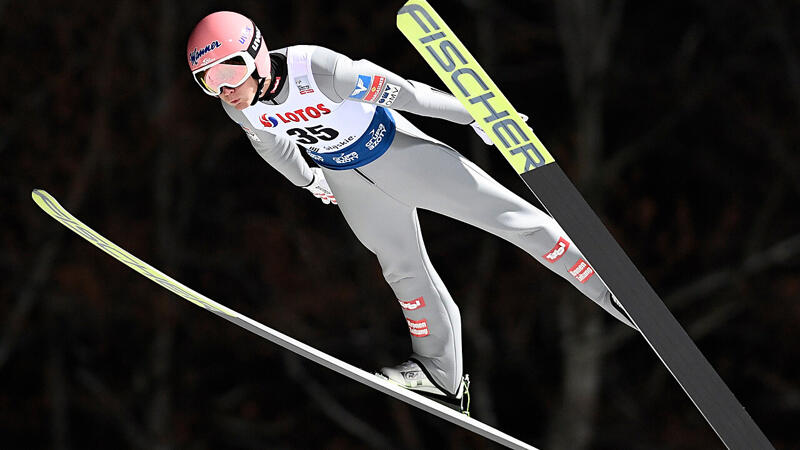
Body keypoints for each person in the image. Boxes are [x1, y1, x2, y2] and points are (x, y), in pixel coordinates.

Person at [186, 11, 636, 410]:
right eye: (207, 81)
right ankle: (441, 375)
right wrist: (310, 180)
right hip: (350, 181)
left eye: (231, 70)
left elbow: (406, 94)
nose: (225, 89)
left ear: (258, 56)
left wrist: (475, 115)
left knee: (508, 218)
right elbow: (274, 146)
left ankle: (610, 290)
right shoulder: (240, 108)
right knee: (402, 271)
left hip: (399, 155)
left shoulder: (318, 69)